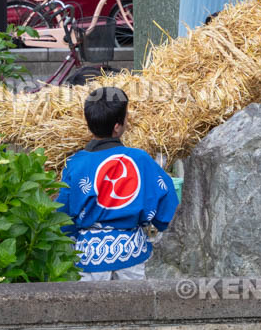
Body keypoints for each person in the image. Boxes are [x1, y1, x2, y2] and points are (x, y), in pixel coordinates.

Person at [57, 86, 179, 280]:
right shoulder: (140, 159)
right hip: (134, 259)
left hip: (88, 262)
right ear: (117, 126)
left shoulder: (75, 163)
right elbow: (166, 204)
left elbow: (62, 216)